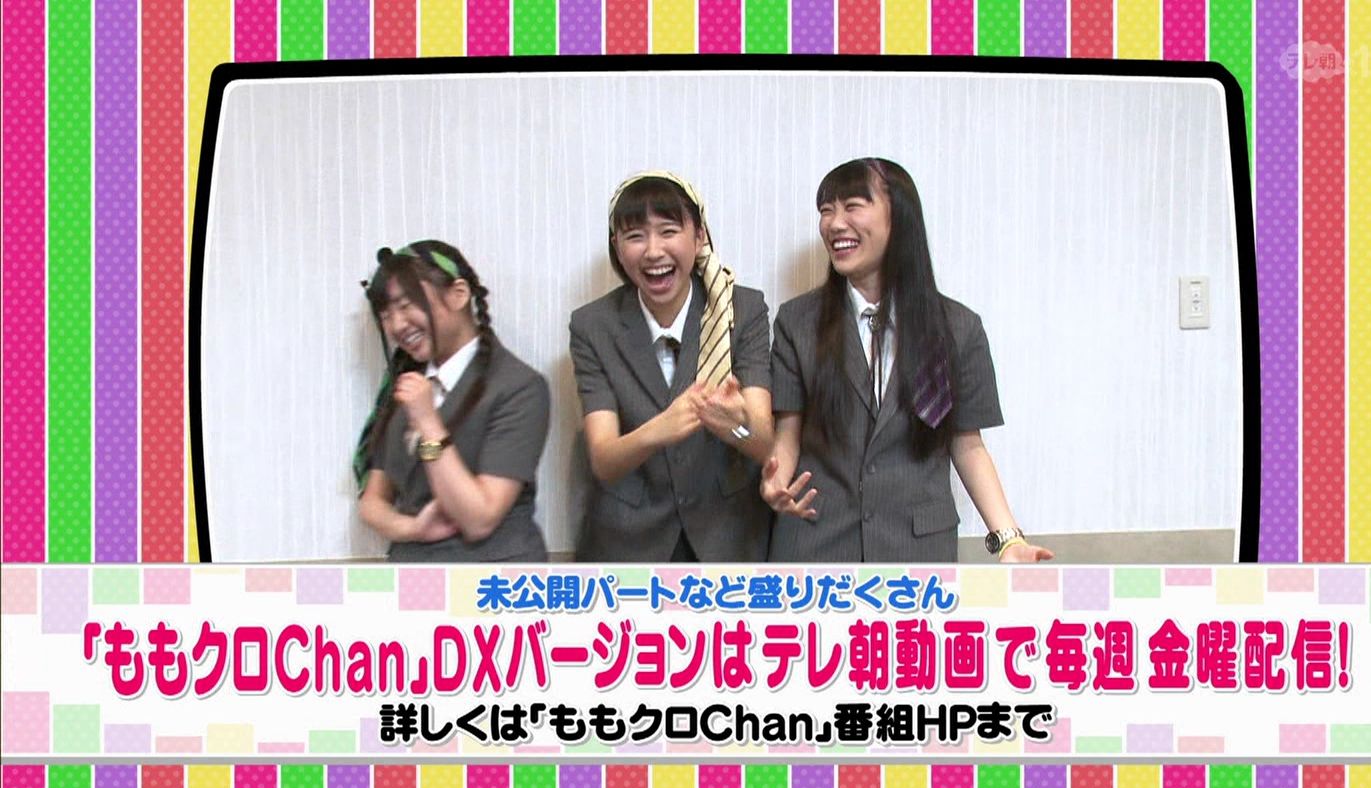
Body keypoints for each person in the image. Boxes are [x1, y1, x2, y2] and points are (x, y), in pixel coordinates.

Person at [764, 158, 1054, 563]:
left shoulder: (957, 328)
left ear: (899, 216)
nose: (834, 223)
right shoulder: (797, 322)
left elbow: (967, 444)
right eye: (826, 210)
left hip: (917, 551)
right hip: (817, 545)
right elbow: (788, 433)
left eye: (852, 206)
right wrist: (776, 480)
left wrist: (1009, 539)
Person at [569, 172, 775, 561]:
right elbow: (603, 460)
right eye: (635, 236)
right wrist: (658, 430)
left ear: (699, 236)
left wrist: (735, 426)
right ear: (617, 247)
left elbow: (764, 442)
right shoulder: (593, 325)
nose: (653, 251)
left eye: (668, 231)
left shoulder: (741, 310)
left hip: (725, 537)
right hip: (627, 543)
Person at [355, 240, 551, 562]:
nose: (397, 325)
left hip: (494, 578)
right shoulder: (408, 385)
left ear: (459, 294)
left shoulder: (519, 387)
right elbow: (372, 501)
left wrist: (428, 423)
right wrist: (413, 529)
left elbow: (479, 519)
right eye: (386, 314)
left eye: (406, 305)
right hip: (412, 575)